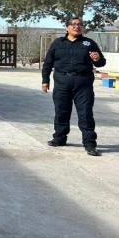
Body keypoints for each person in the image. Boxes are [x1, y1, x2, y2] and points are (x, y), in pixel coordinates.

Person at [41, 17, 106, 156]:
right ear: (67, 28)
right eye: (73, 24)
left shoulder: (89, 43)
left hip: (83, 84)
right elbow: (47, 64)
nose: (77, 26)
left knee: (86, 114)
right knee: (61, 112)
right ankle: (59, 138)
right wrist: (45, 81)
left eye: (79, 24)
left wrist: (97, 59)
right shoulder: (57, 43)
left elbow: (101, 63)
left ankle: (89, 144)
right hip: (62, 83)